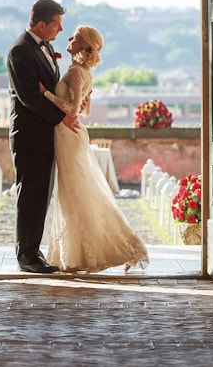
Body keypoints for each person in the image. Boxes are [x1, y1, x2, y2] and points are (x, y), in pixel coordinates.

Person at [40, 25, 149, 274]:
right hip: (70, 135)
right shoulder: (84, 72)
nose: (70, 38)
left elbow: (73, 110)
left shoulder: (76, 72)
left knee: (74, 195)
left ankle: (86, 254)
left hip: (69, 136)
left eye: (76, 37)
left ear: (84, 46)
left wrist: (46, 94)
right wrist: (79, 102)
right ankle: (77, 255)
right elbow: (85, 111)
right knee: (75, 195)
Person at [7, 0, 80, 274]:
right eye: (56, 25)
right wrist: (62, 117)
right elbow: (29, 97)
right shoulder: (20, 51)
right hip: (29, 135)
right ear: (40, 24)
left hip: (45, 135)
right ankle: (26, 255)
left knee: (41, 195)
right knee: (30, 195)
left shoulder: (46, 47)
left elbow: (50, 90)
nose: (60, 30)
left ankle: (33, 250)